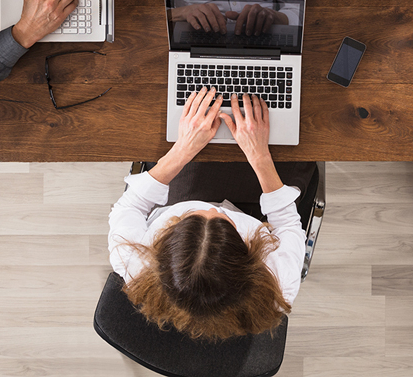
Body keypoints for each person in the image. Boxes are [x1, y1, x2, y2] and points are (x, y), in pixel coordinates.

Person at [109, 90, 314, 339]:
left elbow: (130, 205)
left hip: (182, 192)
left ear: (163, 246)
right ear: (250, 259)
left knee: (168, 125)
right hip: (253, 211)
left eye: (192, 217)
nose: (212, 208)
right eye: (223, 221)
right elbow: (288, 223)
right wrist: (259, 155)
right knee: (302, 140)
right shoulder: (276, 285)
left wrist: (183, 149)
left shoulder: (134, 261)